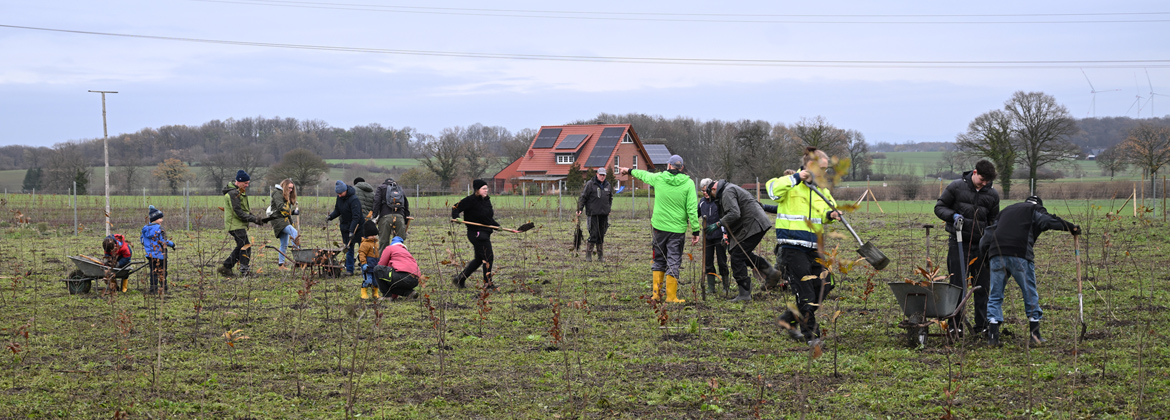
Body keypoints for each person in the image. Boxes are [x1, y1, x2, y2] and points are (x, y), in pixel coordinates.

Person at [766, 148, 843, 342]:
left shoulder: (821, 190)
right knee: (806, 292)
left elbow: (826, 212)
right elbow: (772, 191)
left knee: (826, 284)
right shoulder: (789, 184)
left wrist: (832, 215)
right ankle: (811, 335)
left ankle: (789, 317)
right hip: (792, 247)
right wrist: (796, 178)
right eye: (822, 168)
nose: (824, 173)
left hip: (813, 247)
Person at [980, 196, 1079, 346]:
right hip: (1020, 255)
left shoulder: (1006, 211)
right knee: (1029, 293)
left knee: (995, 295)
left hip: (996, 254)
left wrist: (987, 258)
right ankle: (1035, 335)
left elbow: (986, 237)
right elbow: (1047, 221)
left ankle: (993, 337)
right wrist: (1071, 227)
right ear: (1039, 205)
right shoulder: (1035, 210)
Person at [618, 154, 701, 303]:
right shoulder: (688, 184)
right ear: (681, 168)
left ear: (668, 166)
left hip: (659, 228)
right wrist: (695, 230)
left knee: (659, 258)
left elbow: (643, 174)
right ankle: (671, 296)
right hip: (677, 230)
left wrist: (628, 170)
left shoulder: (659, 178)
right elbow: (692, 209)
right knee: (674, 260)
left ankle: (656, 294)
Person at [934, 159, 999, 336]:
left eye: (988, 181)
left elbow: (994, 220)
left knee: (982, 286)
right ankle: (956, 325)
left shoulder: (992, 195)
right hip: (958, 243)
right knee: (957, 285)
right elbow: (939, 207)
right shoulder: (956, 187)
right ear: (975, 172)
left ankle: (982, 326)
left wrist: (992, 239)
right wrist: (952, 216)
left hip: (982, 246)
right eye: (982, 180)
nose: (984, 184)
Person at [703, 179, 783, 302]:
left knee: (737, 257)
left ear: (713, 189)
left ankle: (744, 293)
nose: (713, 199)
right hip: (754, 223)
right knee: (741, 253)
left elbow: (734, 214)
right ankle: (770, 272)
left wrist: (718, 224)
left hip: (754, 225)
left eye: (712, 195)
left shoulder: (727, 192)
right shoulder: (728, 189)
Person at [450, 179, 499, 289]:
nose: (486, 190)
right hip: (476, 233)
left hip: (485, 232)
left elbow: (487, 218)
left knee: (479, 259)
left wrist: (497, 226)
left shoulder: (486, 201)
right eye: (484, 189)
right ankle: (488, 284)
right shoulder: (470, 200)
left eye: (487, 188)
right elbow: (455, 208)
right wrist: (456, 217)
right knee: (488, 257)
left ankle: (460, 279)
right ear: (477, 190)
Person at [219, 170, 265, 277]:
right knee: (245, 246)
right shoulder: (233, 194)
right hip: (235, 224)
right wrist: (254, 219)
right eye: (245, 183)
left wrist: (255, 218)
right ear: (239, 182)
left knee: (242, 245)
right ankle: (243, 271)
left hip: (237, 224)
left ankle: (227, 267)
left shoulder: (239, 192)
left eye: (248, 183)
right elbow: (239, 213)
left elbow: (245, 210)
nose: (247, 185)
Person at [698, 178, 730, 297]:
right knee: (708, 262)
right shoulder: (702, 202)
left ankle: (725, 286)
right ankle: (711, 287)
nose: (705, 193)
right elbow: (696, 214)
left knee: (722, 261)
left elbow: (727, 218)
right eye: (702, 191)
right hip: (707, 237)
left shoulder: (719, 201)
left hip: (720, 236)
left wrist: (725, 233)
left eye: (706, 190)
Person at [577, 167, 614, 262]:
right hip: (593, 213)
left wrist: (608, 208)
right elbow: (583, 197)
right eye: (601, 175)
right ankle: (588, 255)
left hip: (604, 214)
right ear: (597, 174)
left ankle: (600, 256)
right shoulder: (590, 184)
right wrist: (579, 208)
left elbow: (610, 198)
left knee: (601, 235)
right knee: (593, 234)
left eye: (604, 175)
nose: (602, 177)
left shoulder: (608, 185)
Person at [327, 180, 364, 275]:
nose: (339, 195)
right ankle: (349, 270)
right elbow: (337, 210)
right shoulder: (339, 198)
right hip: (345, 227)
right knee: (349, 249)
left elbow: (356, 217)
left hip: (358, 228)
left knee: (362, 249)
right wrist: (330, 217)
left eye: (340, 193)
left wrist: (352, 231)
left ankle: (365, 269)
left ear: (345, 190)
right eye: (337, 193)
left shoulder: (354, 199)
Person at [141, 205, 175, 295]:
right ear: (155, 219)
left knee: (153, 272)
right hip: (160, 254)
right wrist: (172, 244)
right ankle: (164, 288)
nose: (162, 220)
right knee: (163, 271)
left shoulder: (145, 229)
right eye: (160, 218)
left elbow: (142, 240)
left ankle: (153, 289)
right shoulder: (160, 229)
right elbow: (163, 241)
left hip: (150, 255)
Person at [269, 178, 301, 270]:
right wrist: (293, 212)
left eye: (292, 188)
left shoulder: (286, 195)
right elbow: (280, 207)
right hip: (277, 220)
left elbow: (287, 212)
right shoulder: (277, 193)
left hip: (284, 220)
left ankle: (281, 265)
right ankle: (298, 259)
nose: (291, 190)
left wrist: (291, 222)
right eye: (289, 188)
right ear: (284, 186)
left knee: (284, 244)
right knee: (294, 234)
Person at [375, 177, 411, 248]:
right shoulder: (398, 188)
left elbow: (377, 202)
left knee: (384, 242)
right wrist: (405, 220)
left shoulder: (381, 188)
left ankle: (384, 258)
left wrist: (374, 215)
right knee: (399, 243)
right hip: (399, 217)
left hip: (385, 217)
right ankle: (398, 258)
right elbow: (406, 204)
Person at [357, 220, 381, 299]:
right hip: (367, 267)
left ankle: (375, 293)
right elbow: (362, 254)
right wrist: (363, 264)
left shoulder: (376, 243)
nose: (373, 236)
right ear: (367, 235)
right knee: (368, 281)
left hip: (375, 266)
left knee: (376, 281)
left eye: (375, 235)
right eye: (371, 235)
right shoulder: (365, 244)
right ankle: (364, 293)